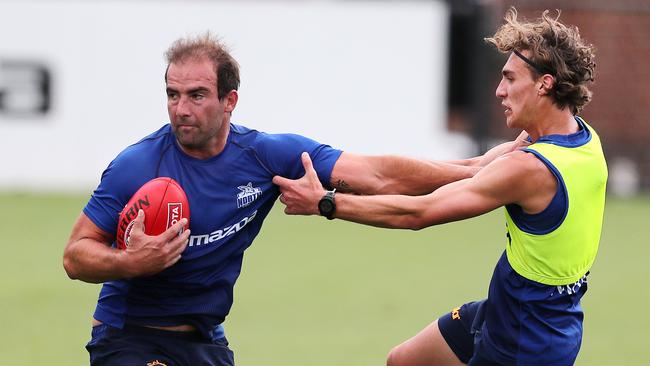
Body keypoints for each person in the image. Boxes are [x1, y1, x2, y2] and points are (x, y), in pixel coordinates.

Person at [62, 33, 524, 366]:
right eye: (173, 94)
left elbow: (376, 174)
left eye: (197, 95)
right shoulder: (138, 165)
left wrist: (473, 168)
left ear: (230, 100)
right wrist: (131, 262)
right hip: (128, 339)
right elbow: (75, 256)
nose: (181, 108)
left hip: (204, 342)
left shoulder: (265, 156)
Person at [274, 8, 606, 366]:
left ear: (544, 84)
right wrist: (362, 182)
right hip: (511, 310)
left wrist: (326, 204)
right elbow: (473, 170)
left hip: (526, 343)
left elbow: (421, 212)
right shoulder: (576, 136)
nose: (499, 90)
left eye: (510, 78)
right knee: (405, 360)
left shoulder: (531, 169)